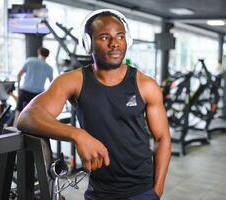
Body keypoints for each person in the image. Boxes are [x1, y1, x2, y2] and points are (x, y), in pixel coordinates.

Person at [17, 9, 171, 200]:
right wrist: (77, 135)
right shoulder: (73, 81)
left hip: (142, 189)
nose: (115, 43)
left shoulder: (145, 85)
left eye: (120, 36)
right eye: (105, 37)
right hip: (99, 191)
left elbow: (163, 138)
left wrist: (157, 190)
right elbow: (27, 116)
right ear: (87, 43)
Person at [14, 47, 53, 126]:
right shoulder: (49, 68)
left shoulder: (29, 61)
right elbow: (52, 83)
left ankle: (14, 134)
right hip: (38, 94)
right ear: (47, 56)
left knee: (18, 113)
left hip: (25, 91)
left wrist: (18, 88)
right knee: (35, 116)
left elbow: (19, 75)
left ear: (38, 53)